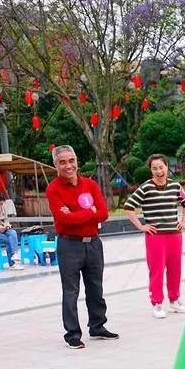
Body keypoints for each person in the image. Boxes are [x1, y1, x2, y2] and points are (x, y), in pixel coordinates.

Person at [47, 145, 117, 349]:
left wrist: (76, 213)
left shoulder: (90, 184)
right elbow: (63, 219)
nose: (68, 165)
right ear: (56, 165)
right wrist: (89, 212)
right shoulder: (53, 189)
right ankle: (72, 334)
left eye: (71, 160)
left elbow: (103, 213)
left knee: (96, 287)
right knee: (71, 291)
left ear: (76, 161)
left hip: (94, 243)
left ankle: (97, 326)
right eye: (63, 162)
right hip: (69, 245)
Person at [123, 154, 185, 319]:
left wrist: (184, 220)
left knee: (175, 269)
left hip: (174, 235)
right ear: (151, 170)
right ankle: (157, 303)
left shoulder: (176, 186)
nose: (159, 171)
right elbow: (128, 206)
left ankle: (174, 301)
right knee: (157, 270)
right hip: (156, 237)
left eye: (161, 167)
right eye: (155, 168)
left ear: (167, 167)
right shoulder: (146, 187)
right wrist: (141, 226)